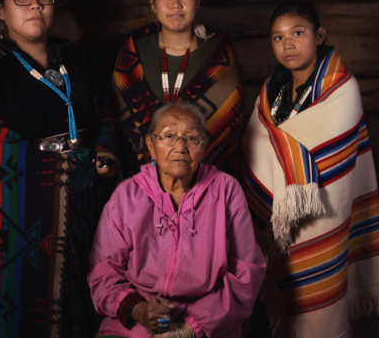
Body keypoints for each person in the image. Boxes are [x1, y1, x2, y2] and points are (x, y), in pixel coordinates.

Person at [0, 0, 119, 336]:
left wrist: (104, 149)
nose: (35, 5)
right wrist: (67, 166)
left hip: (87, 212)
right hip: (24, 220)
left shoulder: (71, 59)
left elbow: (100, 113)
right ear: (0, 9)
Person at [241, 0, 379, 337]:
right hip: (278, 210)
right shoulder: (272, 90)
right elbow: (255, 139)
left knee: (317, 288)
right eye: (278, 38)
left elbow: (329, 154)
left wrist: (282, 155)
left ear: (320, 35)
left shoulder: (343, 89)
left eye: (297, 33)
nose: (288, 45)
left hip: (322, 209)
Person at [88, 102, 266, 338]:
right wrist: (138, 309)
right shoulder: (127, 195)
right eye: (169, 136)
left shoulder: (226, 190)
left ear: (203, 147)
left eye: (192, 138)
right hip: (138, 320)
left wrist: (191, 328)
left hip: (210, 322)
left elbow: (246, 274)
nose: (181, 147)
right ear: (151, 145)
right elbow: (103, 271)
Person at [108, 0, 245, 176]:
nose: (176, 4)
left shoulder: (218, 52)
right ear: (153, 4)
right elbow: (117, 118)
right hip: (141, 178)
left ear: (197, 1)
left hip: (206, 179)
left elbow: (229, 125)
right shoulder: (134, 51)